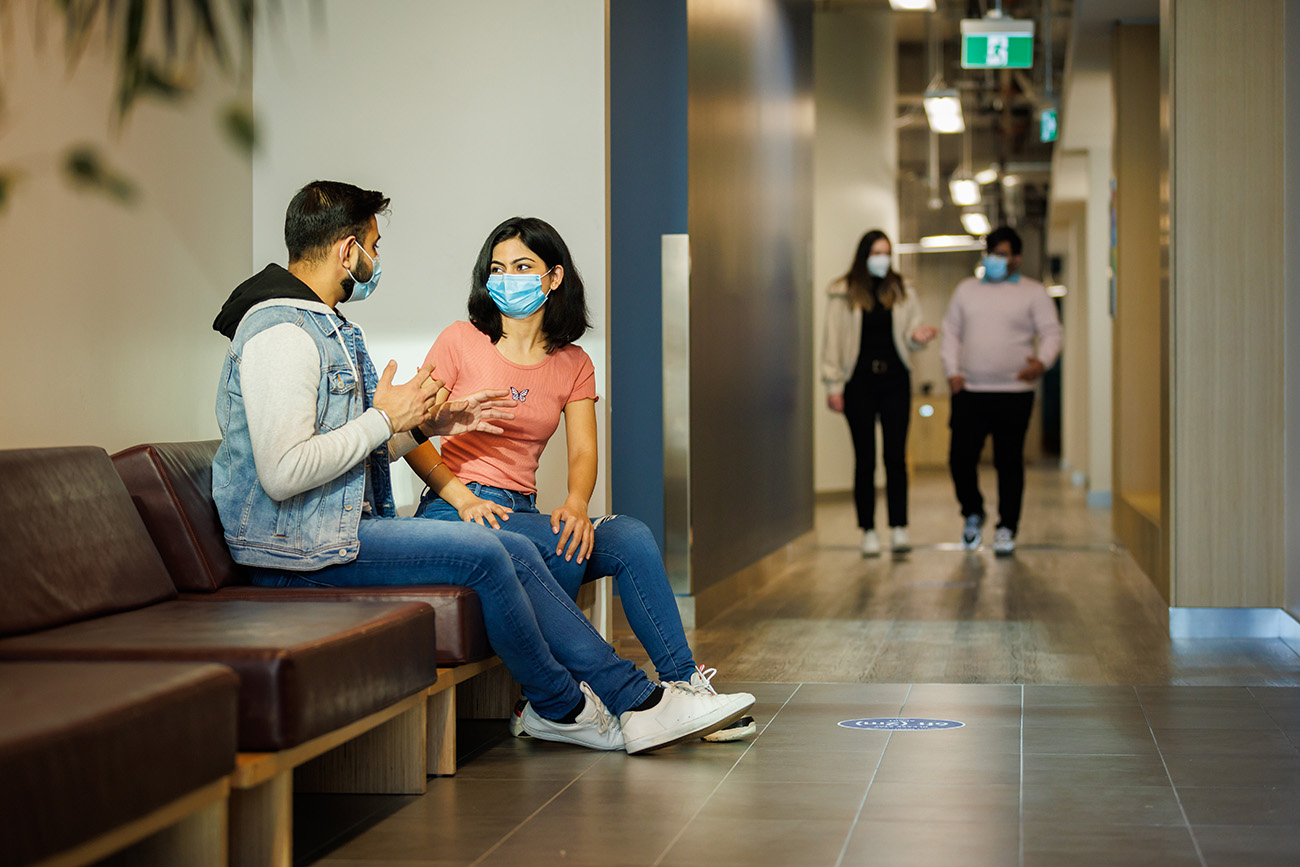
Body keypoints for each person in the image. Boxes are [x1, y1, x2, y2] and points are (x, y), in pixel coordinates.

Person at [209, 181, 753, 755]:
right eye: (374, 245)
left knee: (605, 539)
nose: (376, 260)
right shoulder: (283, 334)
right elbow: (283, 472)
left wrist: (425, 426)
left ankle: (613, 699)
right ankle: (626, 702)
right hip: (301, 545)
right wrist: (390, 425)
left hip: (332, 533)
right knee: (506, 550)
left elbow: (348, 448)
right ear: (349, 252)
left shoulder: (330, 329)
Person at [404, 216, 755, 743]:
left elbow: (584, 449)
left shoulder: (573, 363)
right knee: (558, 547)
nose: (508, 278)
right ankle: (602, 698)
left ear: (553, 277)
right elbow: (407, 429)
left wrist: (574, 501)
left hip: (520, 511)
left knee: (624, 535)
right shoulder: (460, 342)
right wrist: (460, 496)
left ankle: (685, 687)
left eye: (523, 266)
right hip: (458, 507)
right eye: (498, 268)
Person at [940, 226, 1062, 556]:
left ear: (1017, 258)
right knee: (959, 460)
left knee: (1009, 463)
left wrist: (1042, 363)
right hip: (970, 391)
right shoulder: (965, 290)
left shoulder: (1033, 292)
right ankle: (973, 513)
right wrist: (952, 372)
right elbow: (950, 334)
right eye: (991, 252)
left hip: (1014, 392)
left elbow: (1052, 333)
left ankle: (1008, 526)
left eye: (1002, 253)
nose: (995, 259)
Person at [821, 229, 937, 557]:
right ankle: (868, 531)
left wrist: (920, 335)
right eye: (875, 252)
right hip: (858, 383)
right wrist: (833, 385)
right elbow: (831, 340)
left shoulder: (902, 288)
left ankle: (899, 527)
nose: (881, 258)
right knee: (865, 459)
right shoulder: (842, 292)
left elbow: (910, 333)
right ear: (863, 256)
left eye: (886, 252)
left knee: (896, 458)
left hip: (895, 381)